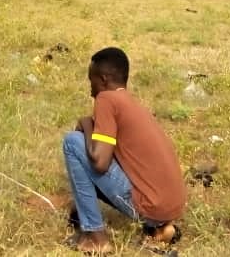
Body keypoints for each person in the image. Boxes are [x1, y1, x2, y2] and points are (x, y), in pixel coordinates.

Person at [63, 47, 185, 254]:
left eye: (90, 80)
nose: (90, 89)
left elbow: (100, 164)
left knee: (73, 142)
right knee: (87, 144)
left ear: (103, 79)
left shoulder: (106, 99)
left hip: (149, 205)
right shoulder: (130, 102)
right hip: (171, 206)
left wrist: (86, 123)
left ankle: (95, 237)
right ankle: (160, 229)